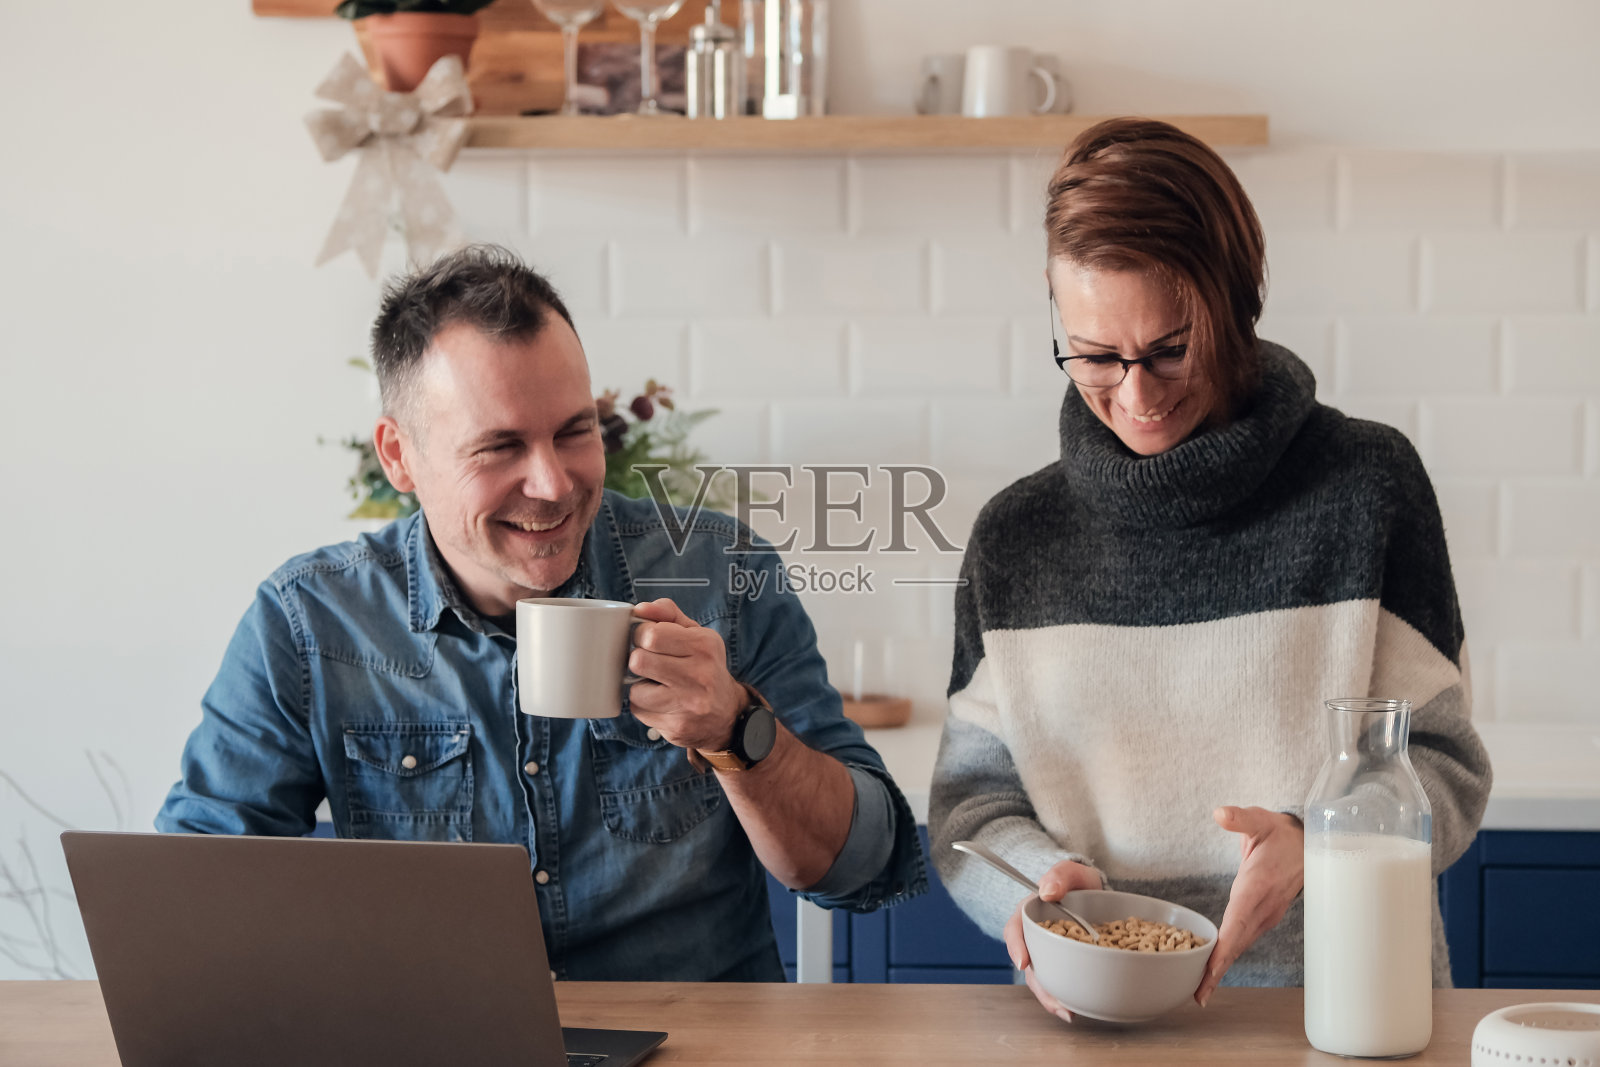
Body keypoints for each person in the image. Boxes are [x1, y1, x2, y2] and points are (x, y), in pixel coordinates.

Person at [158, 245, 925, 982]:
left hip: (703, 1041)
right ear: (398, 456)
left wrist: (737, 730)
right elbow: (194, 902)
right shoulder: (310, 622)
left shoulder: (723, 572)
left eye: (574, 432)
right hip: (446, 1042)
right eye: (499, 447)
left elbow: (869, 868)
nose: (554, 484)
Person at [928, 118, 1492, 1018]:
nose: (1137, 394)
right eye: (1096, 356)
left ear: (1238, 304)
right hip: (1101, 1023)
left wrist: (1319, 842)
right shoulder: (1016, 536)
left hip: (1347, 1013)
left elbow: (1445, 764)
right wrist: (1039, 885)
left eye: (1171, 349)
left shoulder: (1366, 488)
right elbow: (971, 807)